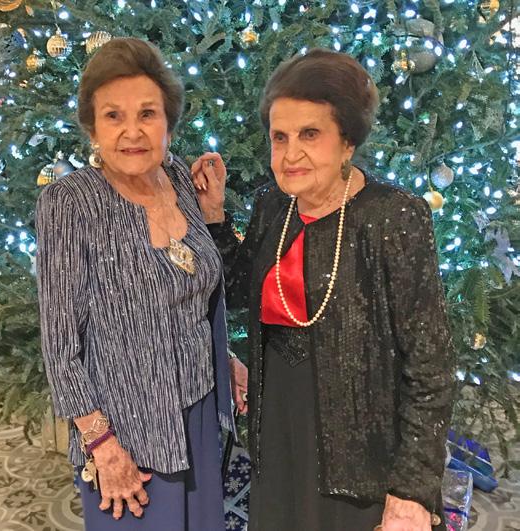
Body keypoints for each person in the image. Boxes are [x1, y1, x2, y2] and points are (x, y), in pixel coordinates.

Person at [192, 48, 455, 531]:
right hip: (278, 433)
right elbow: (241, 289)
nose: (291, 154)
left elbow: (431, 364)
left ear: (347, 140)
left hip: (361, 459)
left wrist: (412, 491)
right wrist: (213, 217)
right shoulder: (274, 204)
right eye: (280, 137)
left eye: (310, 134)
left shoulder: (392, 217)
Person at [36, 37, 247, 531]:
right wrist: (102, 444)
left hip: (198, 412)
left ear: (168, 121)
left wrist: (224, 358)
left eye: (147, 114)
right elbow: (60, 345)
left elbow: (190, 293)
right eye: (113, 116)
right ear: (92, 127)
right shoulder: (71, 204)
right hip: (127, 432)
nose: (132, 131)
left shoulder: (176, 176)